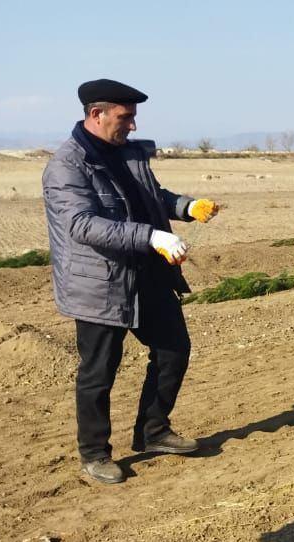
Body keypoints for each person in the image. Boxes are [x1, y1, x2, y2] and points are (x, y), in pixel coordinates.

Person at [42, 79, 223, 484]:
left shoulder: (128, 154)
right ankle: (94, 453)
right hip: (99, 284)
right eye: (125, 118)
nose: (132, 127)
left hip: (147, 275)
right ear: (96, 114)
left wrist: (187, 206)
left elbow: (151, 196)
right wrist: (151, 236)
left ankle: (153, 430)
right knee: (99, 371)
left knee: (174, 350)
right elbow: (83, 225)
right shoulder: (66, 167)